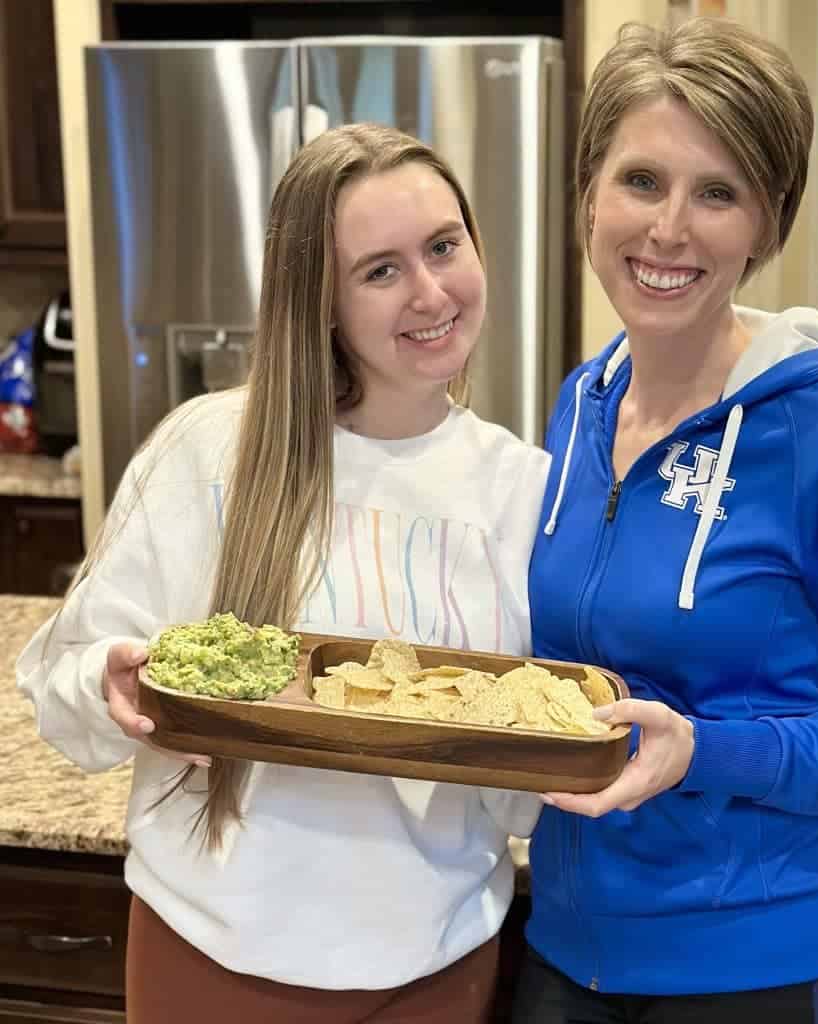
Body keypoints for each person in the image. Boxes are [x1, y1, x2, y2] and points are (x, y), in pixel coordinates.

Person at [17, 123, 551, 1024]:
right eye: (379, 270)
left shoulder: (525, 490)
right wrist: (107, 683)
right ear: (322, 301)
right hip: (211, 958)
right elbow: (60, 694)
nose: (431, 291)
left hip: (439, 965)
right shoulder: (209, 449)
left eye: (443, 246)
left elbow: (522, 786)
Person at [512, 16, 818, 1024]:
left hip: (756, 970)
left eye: (716, 192)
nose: (668, 229)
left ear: (768, 223)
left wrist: (710, 750)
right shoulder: (579, 404)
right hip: (562, 951)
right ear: (586, 193)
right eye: (640, 180)